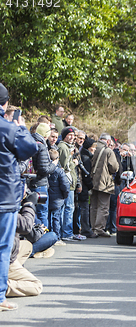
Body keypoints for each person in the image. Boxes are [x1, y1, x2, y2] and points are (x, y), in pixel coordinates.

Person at [0, 82, 38, 311]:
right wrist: (21, 127)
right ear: (4, 105)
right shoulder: (10, 129)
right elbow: (30, 148)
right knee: (3, 247)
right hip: (4, 199)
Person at [7, 188, 43, 298]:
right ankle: (3, 285)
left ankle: (11, 274)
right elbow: (26, 227)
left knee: (27, 246)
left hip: (9, 249)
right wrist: (29, 205)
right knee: (36, 286)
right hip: (4, 255)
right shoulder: (4, 206)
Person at [90, 133, 119, 237]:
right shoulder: (108, 151)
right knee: (103, 207)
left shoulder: (93, 147)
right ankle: (99, 228)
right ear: (107, 141)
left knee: (93, 206)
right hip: (104, 183)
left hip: (92, 181)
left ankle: (93, 228)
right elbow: (114, 167)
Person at [30, 123, 56, 228]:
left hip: (31, 182)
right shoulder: (41, 146)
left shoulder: (31, 142)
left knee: (33, 212)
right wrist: (53, 165)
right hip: (40, 184)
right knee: (42, 212)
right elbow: (44, 169)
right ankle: (43, 238)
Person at [57, 126, 80, 242]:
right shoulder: (63, 147)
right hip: (66, 182)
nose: (72, 137)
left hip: (70, 182)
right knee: (68, 208)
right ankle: (66, 233)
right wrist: (74, 163)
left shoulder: (68, 148)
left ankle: (65, 232)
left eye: (73, 135)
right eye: (69, 135)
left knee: (67, 208)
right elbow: (64, 166)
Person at [47, 149, 71, 245]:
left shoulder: (46, 170)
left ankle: (48, 236)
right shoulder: (59, 171)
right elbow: (65, 185)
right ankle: (57, 237)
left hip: (48, 198)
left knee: (47, 217)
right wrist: (65, 195)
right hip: (58, 198)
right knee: (56, 218)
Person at [78, 136, 95, 238]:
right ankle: (86, 229)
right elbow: (86, 175)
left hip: (83, 186)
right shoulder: (86, 158)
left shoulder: (83, 156)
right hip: (84, 187)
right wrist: (90, 185)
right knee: (84, 209)